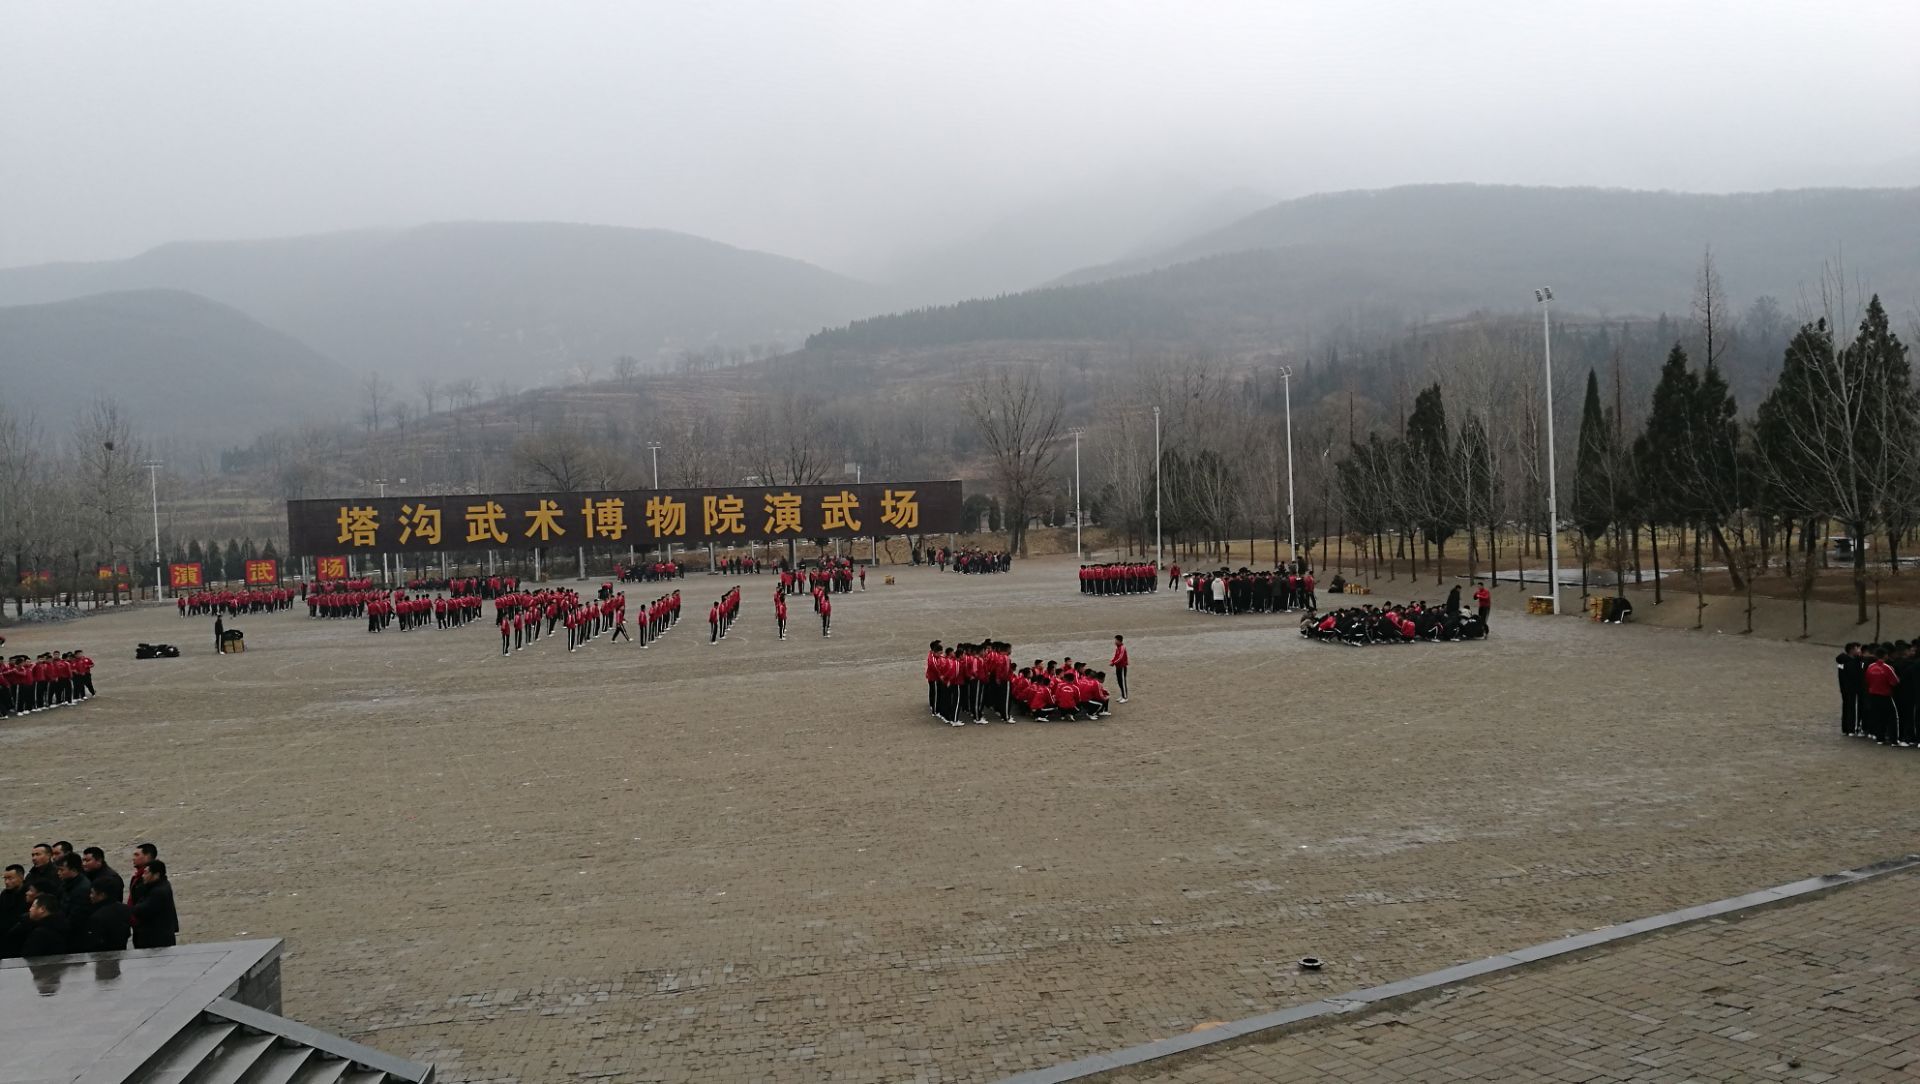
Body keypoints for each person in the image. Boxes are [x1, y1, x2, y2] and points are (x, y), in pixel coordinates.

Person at [131, 859, 178, 948]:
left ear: (156, 875)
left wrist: (127, 909)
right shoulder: (161, 885)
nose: (143, 876)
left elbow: (141, 910)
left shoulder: (158, 892)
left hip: (155, 940)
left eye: (146, 873)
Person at [1863, 646, 1900, 745]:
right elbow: (1895, 681)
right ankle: (1893, 740)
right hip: (1885, 695)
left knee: (1878, 717)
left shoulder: (1870, 667)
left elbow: (1867, 680)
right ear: (1885, 656)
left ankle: (1880, 738)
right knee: (1892, 717)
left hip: (1873, 695)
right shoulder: (1887, 667)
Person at [87, 881, 132, 952]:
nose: (90, 896)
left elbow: (94, 942)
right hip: (121, 951)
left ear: (102, 895)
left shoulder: (97, 916)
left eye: (92, 893)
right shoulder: (125, 908)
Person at [1837, 642, 1864, 736]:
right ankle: (1851, 728)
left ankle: (1846, 728)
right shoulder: (1852, 663)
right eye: (1857, 649)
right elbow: (1856, 676)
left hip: (1844, 689)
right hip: (1852, 689)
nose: (1859, 651)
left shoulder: (1842, 661)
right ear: (1852, 650)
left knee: (1846, 708)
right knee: (1851, 708)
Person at [1110, 635, 1130, 703]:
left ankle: (1125, 697)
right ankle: (1122, 695)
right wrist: (1112, 661)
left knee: (1123, 682)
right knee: (1119, 681)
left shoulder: (1122, 647)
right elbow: (1116, 656)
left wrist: (1113, 663)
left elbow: (1120, 658)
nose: (1115, 642)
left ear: (1119, 640)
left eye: (1115, 640)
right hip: (1118, 667)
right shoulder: (1117, 648)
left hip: (1122, 667)